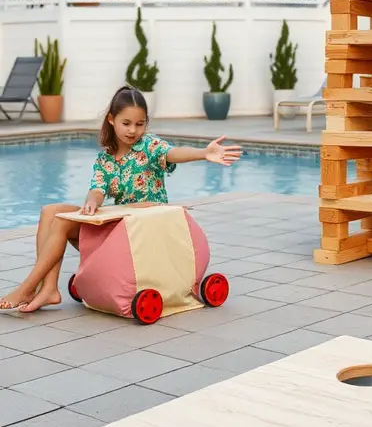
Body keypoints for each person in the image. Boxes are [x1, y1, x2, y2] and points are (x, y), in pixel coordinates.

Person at [0, 86, 241, 314]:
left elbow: (173, 153)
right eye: (126, 123)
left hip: (147, 228)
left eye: (139, 124)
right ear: (111, 119)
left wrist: (203, 153)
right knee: (50, 211)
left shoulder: (150, 146)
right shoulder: (104, 159)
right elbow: (97, 189)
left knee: (62, 223)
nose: (132, 130)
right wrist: (92, 201)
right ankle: (49, 288)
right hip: (121, 225)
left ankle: (27, 288)